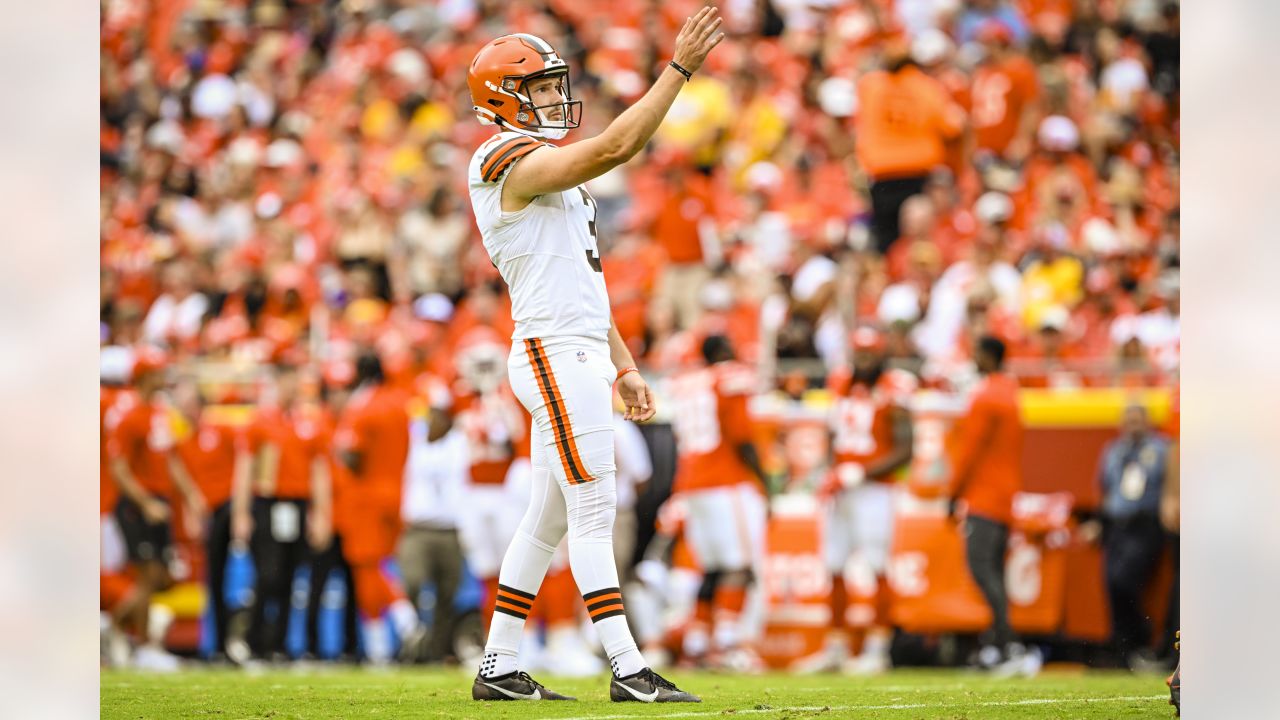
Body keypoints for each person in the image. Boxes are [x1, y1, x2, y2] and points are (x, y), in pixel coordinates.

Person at [464, 10, 724, 702]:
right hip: (552, 352)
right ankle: (628, 667)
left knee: (549, 517)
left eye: (555, 87)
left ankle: (498, 667)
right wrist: (679, 71)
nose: (554, 99)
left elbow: (585, 288)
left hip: (577, 348)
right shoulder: (499, 158)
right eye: (541, 90)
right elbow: (613, 148)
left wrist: (626, 363)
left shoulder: (559, 182)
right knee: (594, 507)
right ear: (501, 98)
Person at [799, 327, 915, 675]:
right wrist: (831, 470)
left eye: (870, 354)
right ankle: (836, 648)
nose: (864, 361)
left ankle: (878, 651)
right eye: (859, 353)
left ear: (881, 354)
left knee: (878, 565)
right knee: (833, 565)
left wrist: (862, 472)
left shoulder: (895, 386)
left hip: (877, 490)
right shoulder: (840, 382)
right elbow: (835, 435)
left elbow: (906, 448)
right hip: (844, 489)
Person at [663, 334, 768, 671]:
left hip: (692, 483)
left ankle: (696, 644)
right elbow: (740, 435)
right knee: (739, 566)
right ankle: (727, 643)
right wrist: (765, 482)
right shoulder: (729, 377)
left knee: (711, 568)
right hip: (726, 480)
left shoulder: (687, 382)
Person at [104, 347, 207, 670]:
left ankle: (115, 627)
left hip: (159, 501)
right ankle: (141, 642)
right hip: (140, 503)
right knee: (148, 574)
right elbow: (118, 467)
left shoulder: (160, 413)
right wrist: (144, 502)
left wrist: (191, 495)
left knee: (160, 575)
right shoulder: (129, 415)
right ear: (146, 376)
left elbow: (171, 460)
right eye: (159, 371)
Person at [946, 335, 1031, 674]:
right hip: (1005, 494)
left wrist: (953, 493)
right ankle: (997, 645)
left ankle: (1009, 645)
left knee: (982, 568)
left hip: (984, 496)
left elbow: (970, 452)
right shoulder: (1011, 392)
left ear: (988, 356)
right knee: (992, 569)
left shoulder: (986, 396)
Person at [235, 363, 331, 660]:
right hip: (268, 502)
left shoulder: (309, 423)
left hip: (297, 505)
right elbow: (245, 468)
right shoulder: (261, 422)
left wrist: (321, 514)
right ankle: (254, 640)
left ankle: (279, 644)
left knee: (291, 575)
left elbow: (319, 471)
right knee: (268, 574)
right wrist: (241, 512)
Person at [333, 351, 423, 665]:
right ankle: (378, 648)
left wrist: (337, 452)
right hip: (396, 491)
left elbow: (353, 455)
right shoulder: (400, 403)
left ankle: (404, 617)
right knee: (372, 568)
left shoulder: (362, 407)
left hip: (365, 495)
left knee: (368, 565)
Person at [1080, 403, 1173, 669]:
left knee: (1124, 581)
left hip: (1145, 524)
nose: (1133, 425)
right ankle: (1122, 648)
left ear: (1147, 422)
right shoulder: (1114, 451)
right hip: (1116, 526)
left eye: (1137, 420)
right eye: (1128, 420)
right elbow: (1105, 489)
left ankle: (1139, 640)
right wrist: (1099, 523)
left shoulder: (1160, 449)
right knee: (1111, 583)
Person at [855, 37, 964, 255]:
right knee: (918, 236)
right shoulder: (927, 86)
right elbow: (953, 127)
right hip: (917, 172)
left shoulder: (870, 85)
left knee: (886, 240)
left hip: (882, 173)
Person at [172, 377, 245, 661]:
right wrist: (193, 503)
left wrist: (240, 509)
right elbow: (183, 477)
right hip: (209, 512)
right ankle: (218, 642)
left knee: (228, 576)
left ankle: (233, 640)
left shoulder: (221, 430)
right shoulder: (183, 443)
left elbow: (241, 464)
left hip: (228, 505)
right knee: (213, 575)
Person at [398, 377, 467, 664]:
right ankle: (413, 641)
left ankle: (433, 653)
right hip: (418, 529)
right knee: (411, 582)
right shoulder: (411, 438)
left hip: (451, 530)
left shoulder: (460, 441)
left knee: (448, 594)